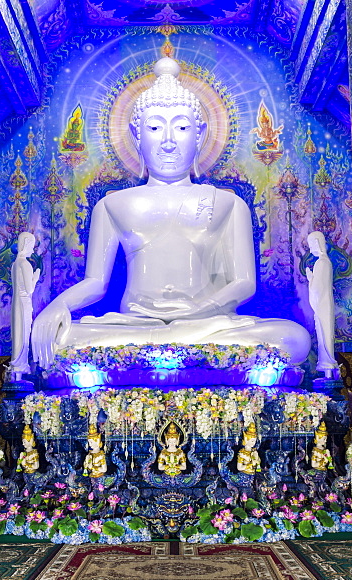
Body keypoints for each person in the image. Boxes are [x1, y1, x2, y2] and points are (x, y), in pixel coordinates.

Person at [31, 57, 311, 367]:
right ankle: (187, 356)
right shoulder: (112, 205)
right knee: (60, 337)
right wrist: (56, 307)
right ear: (136, 135)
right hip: (135, 326)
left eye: (181, 127)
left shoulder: (229, 204)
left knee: (293, 338)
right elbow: (96, 283)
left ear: (200, 134)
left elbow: (244, 283)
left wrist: (200, 311)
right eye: (154, 128)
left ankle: (159, 353)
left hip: (208, 325)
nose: (167, 141)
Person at [305, 231, 337, 378]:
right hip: (324, 304)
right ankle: (327, 368)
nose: (311, 249)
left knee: (325, 334)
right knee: (324, 333)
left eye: (311, 245)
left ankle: (327, 366)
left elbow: (317, 289)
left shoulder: (322, 262)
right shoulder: (325, 262)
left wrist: (310, 279)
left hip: (323, 305)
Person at [10, 232, 41, 380]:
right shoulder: (25, 264)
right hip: (24, 302)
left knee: (19, 332)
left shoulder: (15, 264)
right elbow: (29, 289)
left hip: (17, 302)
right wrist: (36, 277)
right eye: (31, 246)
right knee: (23, 333)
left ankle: (17, 369)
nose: (33, 250)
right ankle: (20, 366)